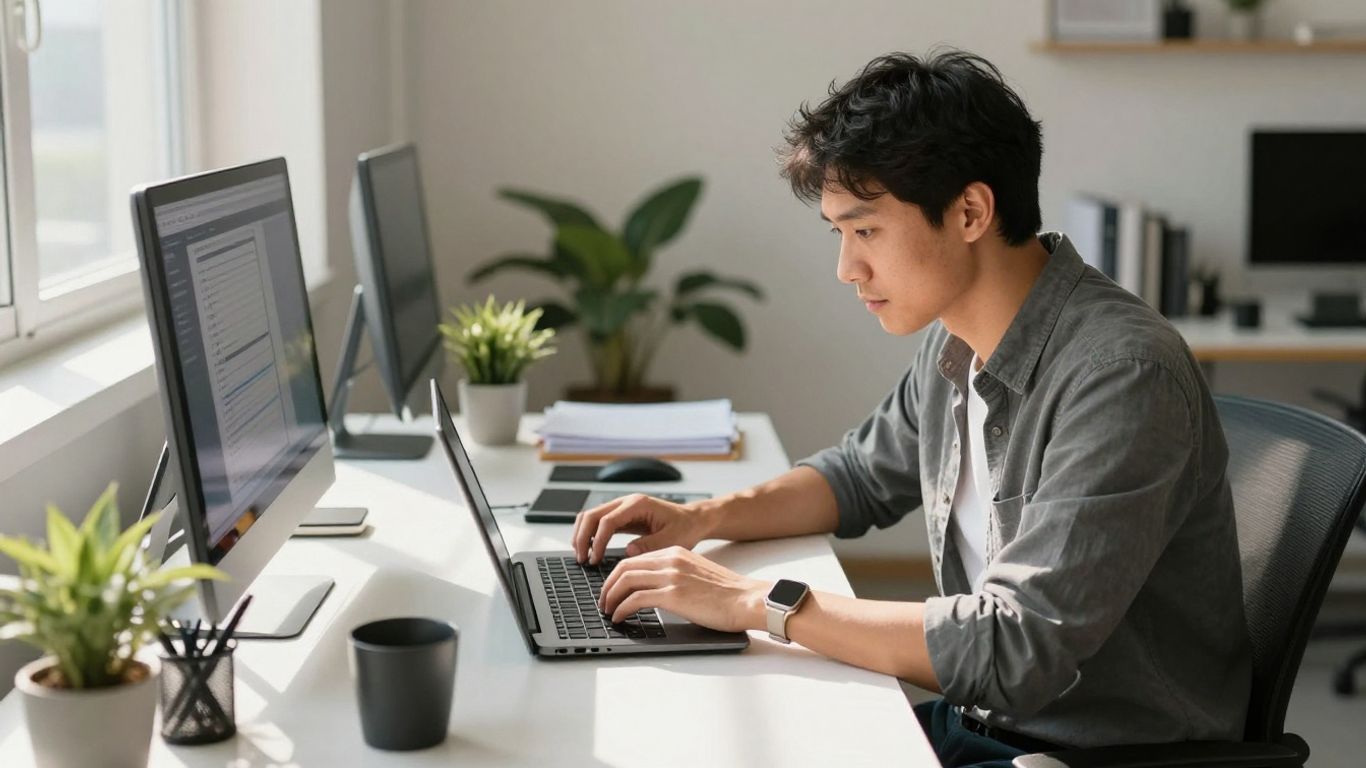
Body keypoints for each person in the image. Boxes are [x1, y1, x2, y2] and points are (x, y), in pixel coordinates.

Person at [575, 49, 1251, 766]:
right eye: (840, 234)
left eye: (865, 231)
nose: (847, 269)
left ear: (970, 211)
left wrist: (756, 602)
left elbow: (1016, 649)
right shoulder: (954, 341)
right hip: (985, 727)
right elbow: (857, 477)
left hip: (1085, 753)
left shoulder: (1121, 376)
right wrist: (702, 519)